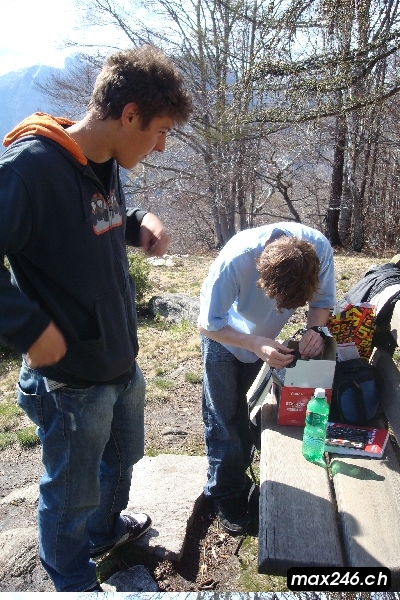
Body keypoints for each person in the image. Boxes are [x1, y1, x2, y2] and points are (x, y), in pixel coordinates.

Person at [0, 45, 191, 591]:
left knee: (125, 458)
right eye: (159, 131)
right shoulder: (30, 169)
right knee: (70, 493)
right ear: (129, 115)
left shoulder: (103, 160)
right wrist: (29, 329)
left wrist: (136, 222)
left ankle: (104, 530)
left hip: (118, 359)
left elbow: (88, 219)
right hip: (71, 380)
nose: (161, 146)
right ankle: (73, 581)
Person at [197, 222, 336, 536]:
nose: (281, 311)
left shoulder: (320, 251)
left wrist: (315, 330)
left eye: (290, 307)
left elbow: (322, 302)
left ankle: (238, 477)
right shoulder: (237, 259)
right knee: (223, 416)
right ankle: (223, 492)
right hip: (224, 335)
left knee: (246, 412)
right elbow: (208, 323)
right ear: (261, 273)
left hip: (262, 341)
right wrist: (253, 343)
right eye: (278, 303)